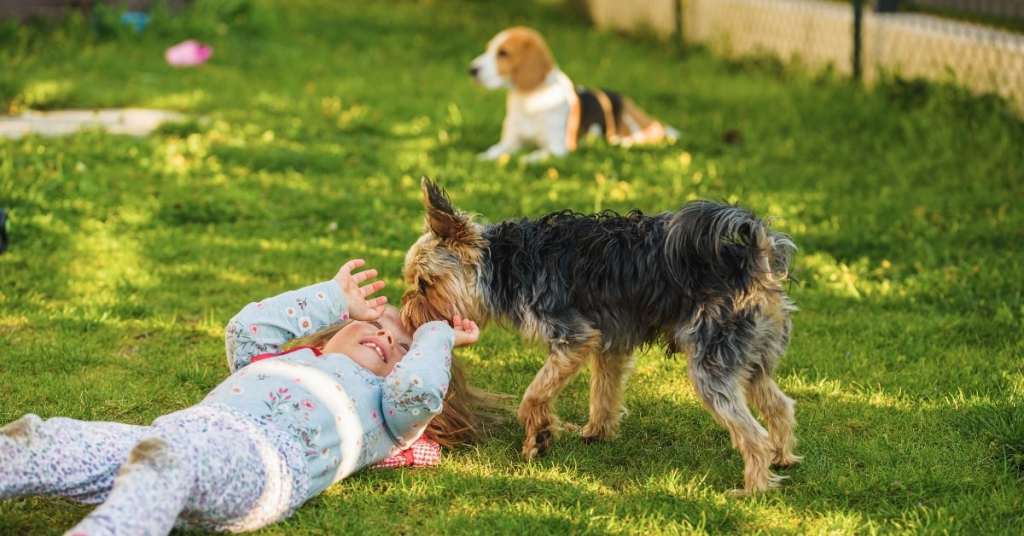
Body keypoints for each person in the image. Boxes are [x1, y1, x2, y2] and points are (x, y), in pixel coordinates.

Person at [0, 259, 502, 535]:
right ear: (330, 335)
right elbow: (246, 329)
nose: (388, 338)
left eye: (406, 348)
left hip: (264, 465)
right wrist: (330, 296)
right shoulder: (292, 359)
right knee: (42, 438)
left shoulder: (390, 413)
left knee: (163, 465)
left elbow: (419, 390)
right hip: (175, 430)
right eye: (375, 322)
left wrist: (436, 338)